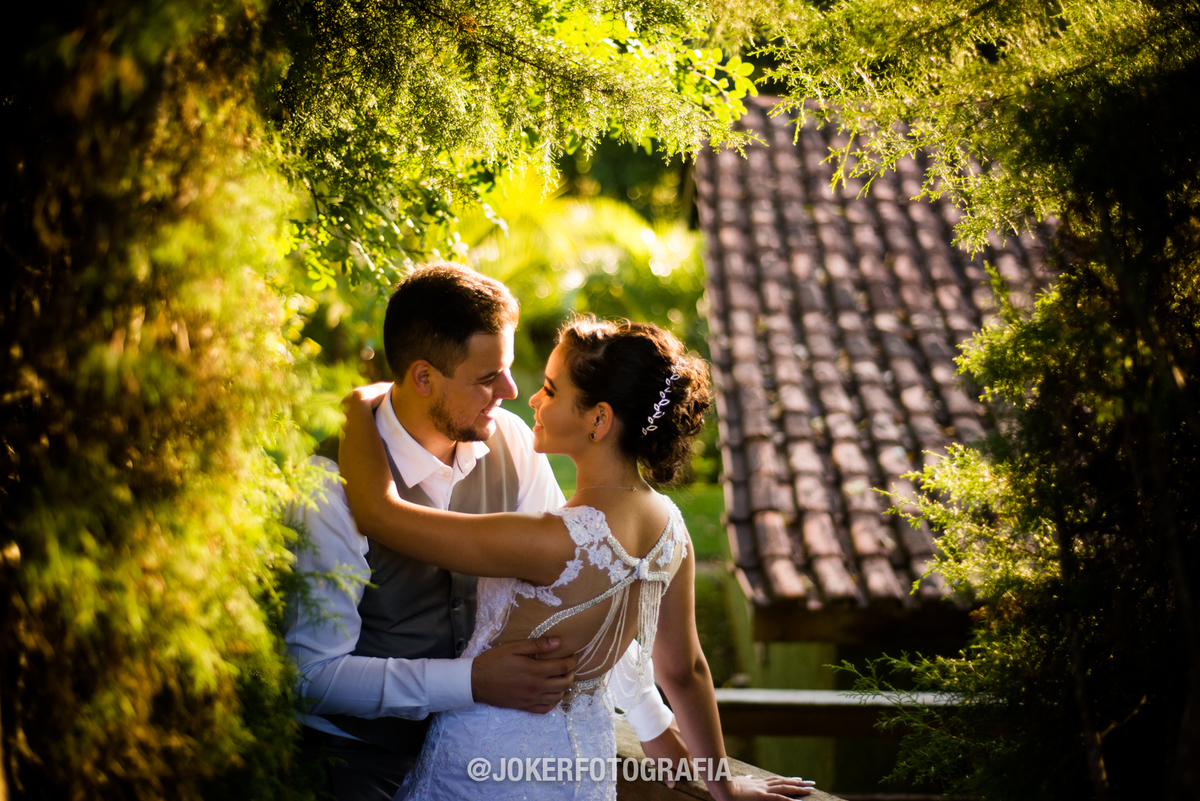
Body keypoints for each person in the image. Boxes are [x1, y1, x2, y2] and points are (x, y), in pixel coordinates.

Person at [339, 315, 817, 800]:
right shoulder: (671, 530)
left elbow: (380, 515)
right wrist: (724, 789)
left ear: (599, 419)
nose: (532, 400)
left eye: (550, 389)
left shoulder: (547, 541)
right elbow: (686, 670)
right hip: (581, 771)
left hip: (483, 770)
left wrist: (358, 407)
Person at [284, 265, 687, 801]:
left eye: (511, 368)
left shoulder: (514, 445)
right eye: (486, 377)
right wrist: (470, 681)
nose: (513, 391)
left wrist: (694, 764)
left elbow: (584, 604)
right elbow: (310, 675)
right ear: (424, 378)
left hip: (484, 759)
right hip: (358, 763)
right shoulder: (331, 486)